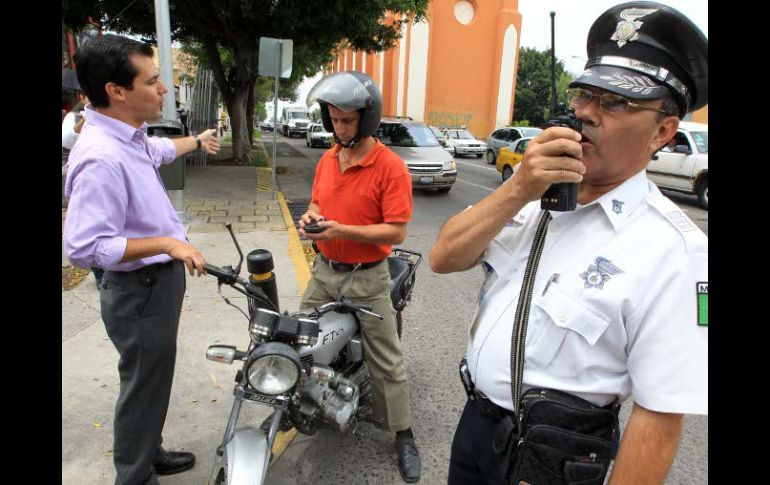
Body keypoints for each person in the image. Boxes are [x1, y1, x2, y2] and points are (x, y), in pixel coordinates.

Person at [429, 3, 707, 484]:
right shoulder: (532, 192)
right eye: (585, 94)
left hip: (554, 455)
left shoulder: (677, 251)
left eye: (616, 102)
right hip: (476, 424)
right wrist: (518, 189)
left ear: (663, 131)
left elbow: (659, 418)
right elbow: (443, 257)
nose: (585, 114)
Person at [63, 34, 221, 485]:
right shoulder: (101, 157)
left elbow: (157, 151)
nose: (163, 89)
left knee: (152, 379)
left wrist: (197, 140)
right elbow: (85, 248)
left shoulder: (128, 136)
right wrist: (168, 244)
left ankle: (149, 451)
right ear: (116, 90)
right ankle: (134, 475)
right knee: (142, 386)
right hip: (140, 290)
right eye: (153, 81)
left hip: (154, 286)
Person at [298, 71, 421, 482]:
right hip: (324, 272)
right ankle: (299, 405)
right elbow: (318, 200)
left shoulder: (390, 168)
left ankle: (402, 433)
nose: (339, 128)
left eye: (347, 121)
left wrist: (342, 231)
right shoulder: (328, 158)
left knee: (387, 360)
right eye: (333, 119)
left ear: (367, 119)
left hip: (367, 278)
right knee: (298, 342)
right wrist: (312, 218)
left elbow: (396, 231)